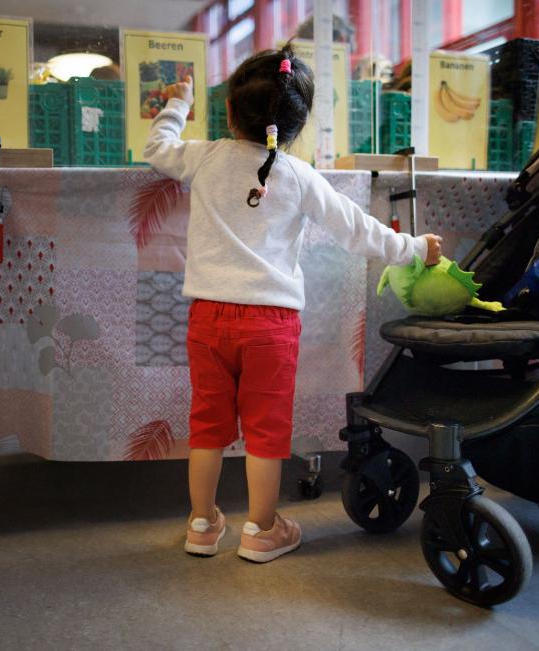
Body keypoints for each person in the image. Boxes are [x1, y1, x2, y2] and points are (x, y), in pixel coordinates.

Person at [143, 44, 442, 563]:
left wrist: (178, 104)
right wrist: (415, 248)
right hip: (271, 326)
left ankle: (200, 524)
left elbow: (157, 147)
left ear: (230, 111)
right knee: (265, 430)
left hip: (208, 319)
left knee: (207, 425)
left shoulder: (205, 157)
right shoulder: (299, 177)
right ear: (296, 126)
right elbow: (359, 231)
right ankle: (260, 529)